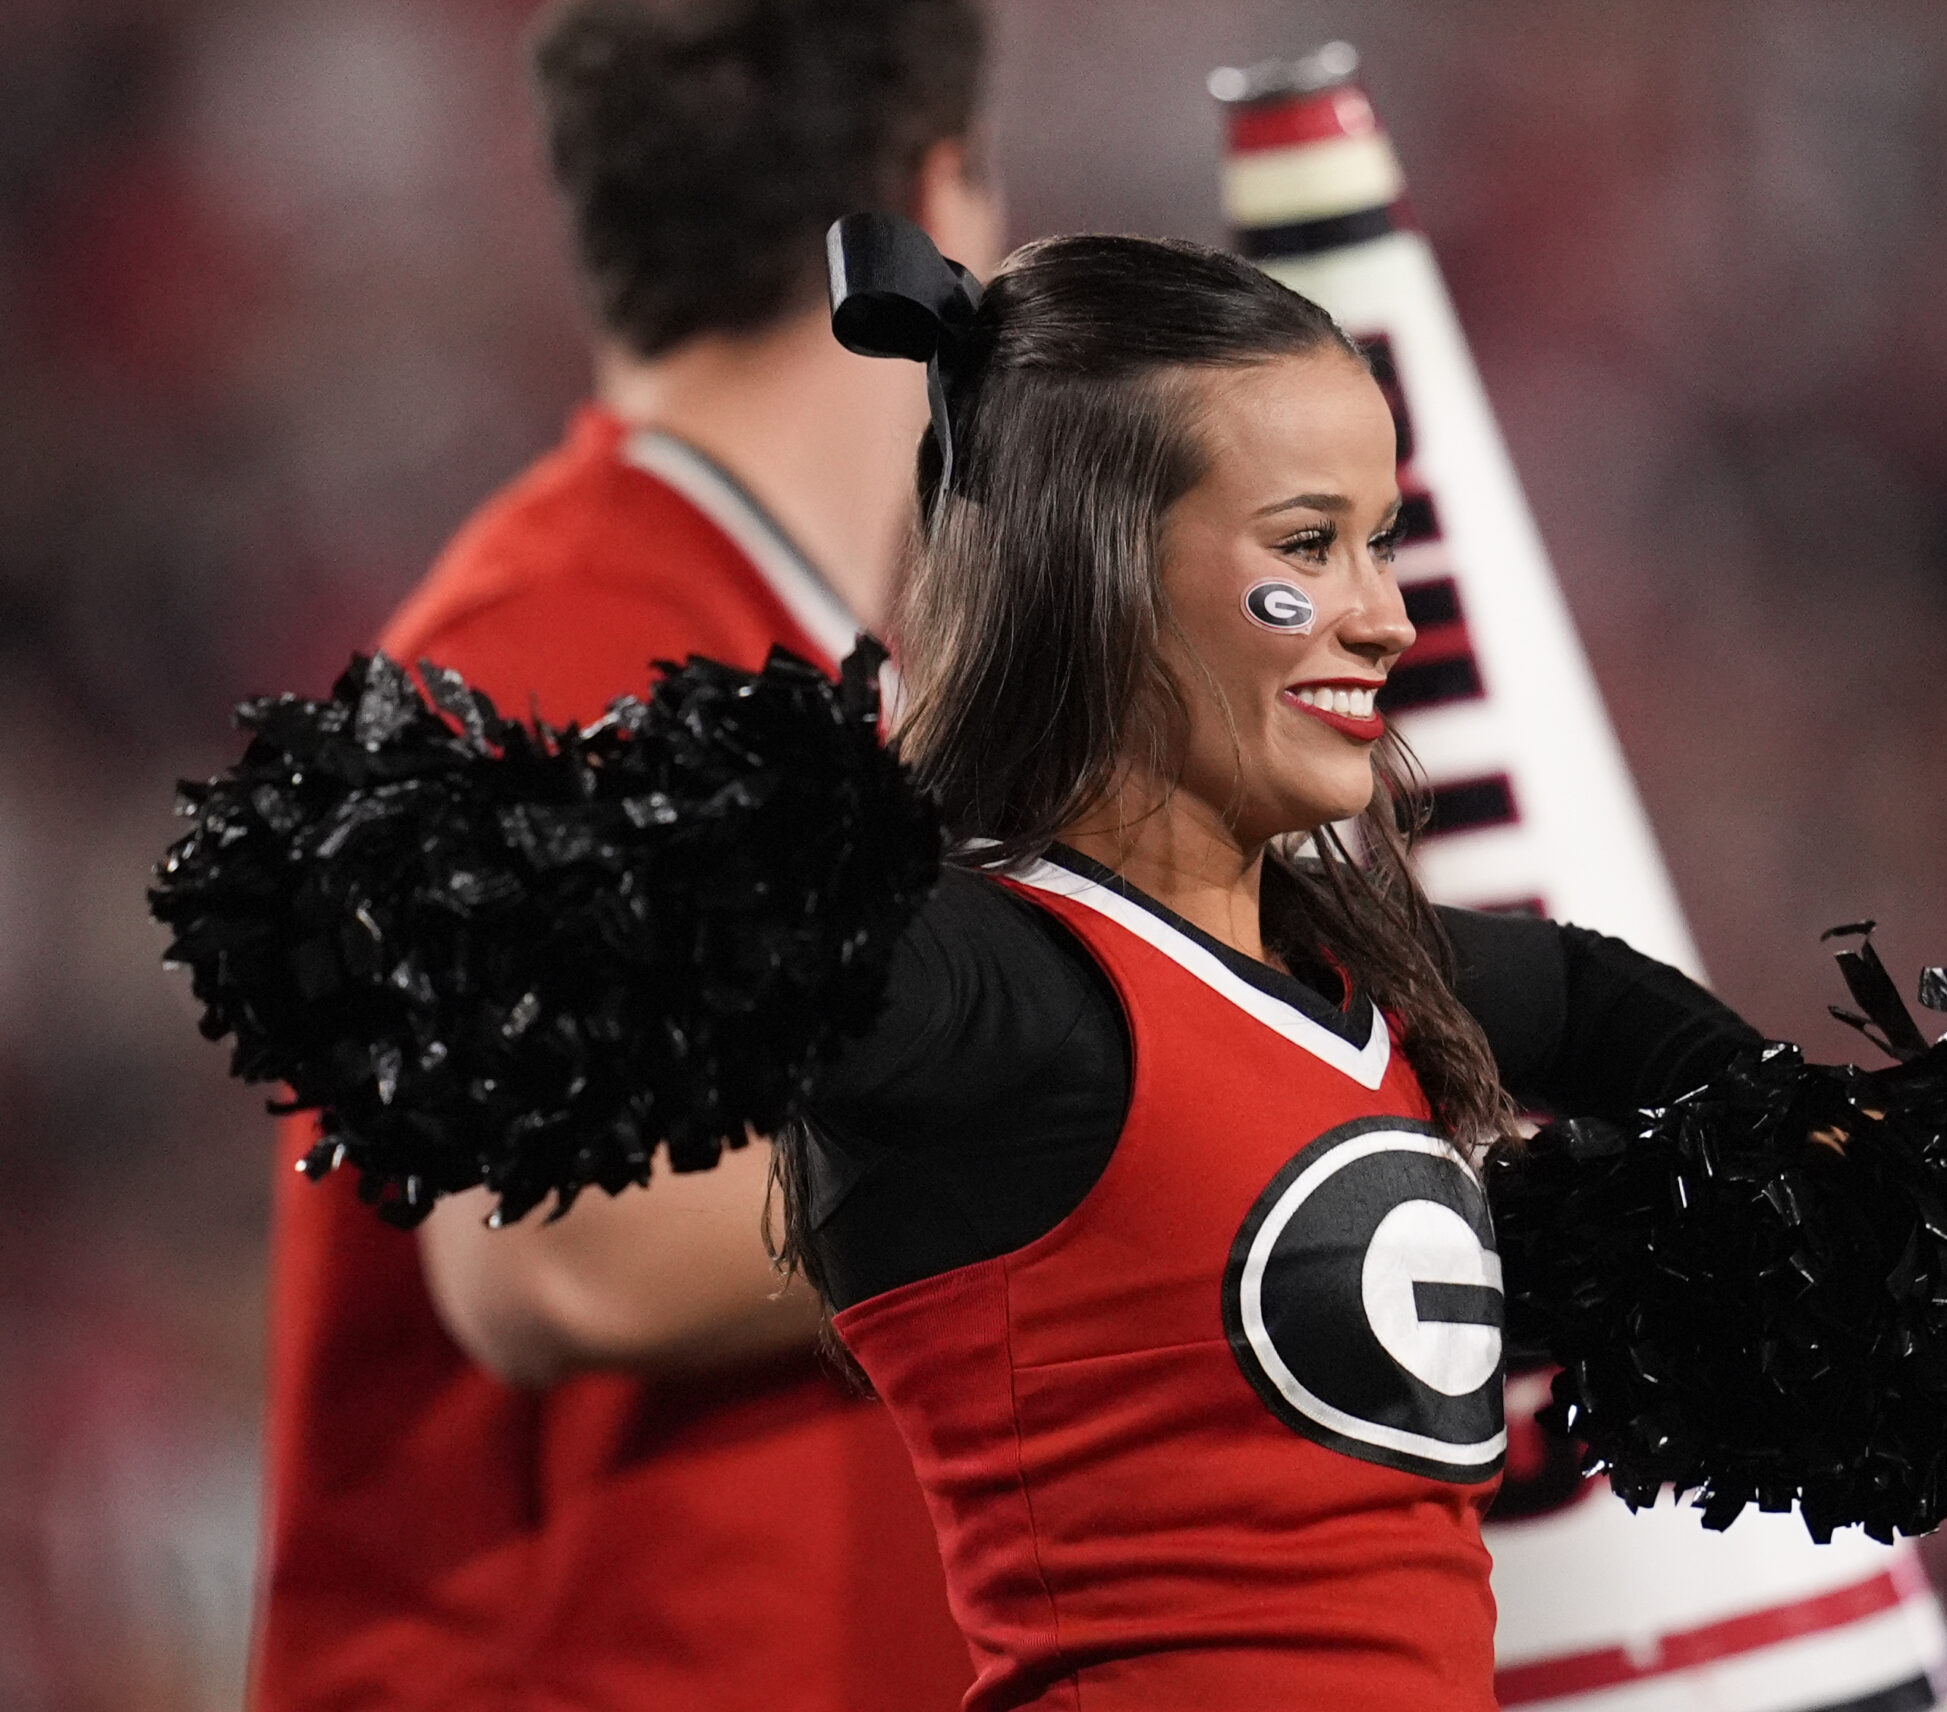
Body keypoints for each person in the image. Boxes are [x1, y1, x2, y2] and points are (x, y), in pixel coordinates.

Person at [767, 226, 1761, 1711]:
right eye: (1308, 546)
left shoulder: (1348, 969)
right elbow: (730, 957)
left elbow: (1581, 994)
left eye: (1382, 541)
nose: (1385, 615)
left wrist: (1812, 1149)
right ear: (1092, 570)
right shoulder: (994, 982)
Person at [251, 5, 999, 1709]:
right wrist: (1103, 1150)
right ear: (939, 205)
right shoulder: (554, 642)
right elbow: (557, 1255)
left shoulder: (856, 669)